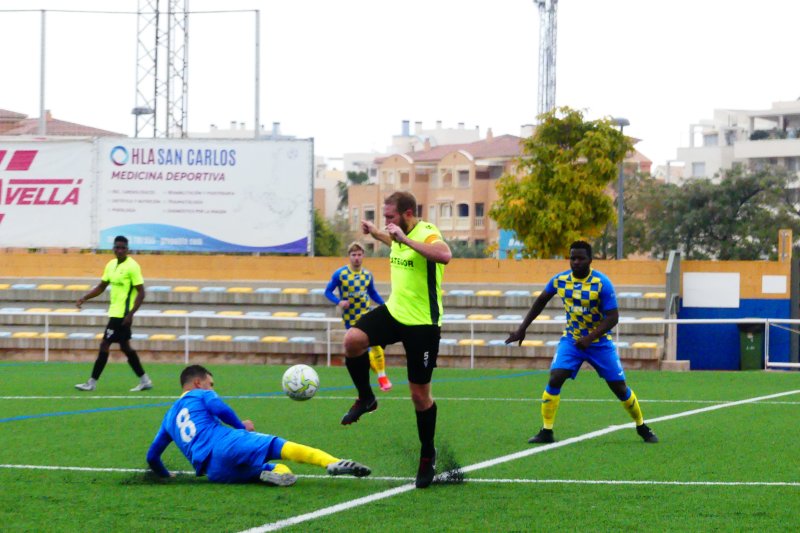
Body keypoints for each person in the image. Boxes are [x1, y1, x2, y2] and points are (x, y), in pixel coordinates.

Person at [341, 191, 451, 489]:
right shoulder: (398, 235)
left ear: (408, 213)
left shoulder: (427, 232)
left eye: (390, 216)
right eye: (385, 216)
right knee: (352, 340)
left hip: (423, 325)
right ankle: (366, 397)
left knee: (419, 396)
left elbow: (444, 255)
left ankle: (427, 455)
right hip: (394, 313)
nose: (387, 221)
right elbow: (396, 244)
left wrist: (404, 238)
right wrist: (376, 232)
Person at [505, 240, 658, 445]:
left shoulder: (602, 283)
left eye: (580, 258)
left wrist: (589, 338)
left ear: (590, 260)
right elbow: (541, 300)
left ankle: (641, 426)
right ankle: (546, 431)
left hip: (599, 343)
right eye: (572, 258)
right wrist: (522, 328)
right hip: (572, 340)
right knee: (555, 377)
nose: (575, 262)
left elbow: (613, 318)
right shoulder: (560, 280)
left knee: (619, 388)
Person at [146, 365, 371, 486]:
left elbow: (152, 457)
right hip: (226, 443)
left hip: (215, 472)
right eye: (210, 383)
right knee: (280, 447)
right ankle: (331, 462)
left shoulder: (168, 418)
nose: (212, 387)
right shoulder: (200, 394)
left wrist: (165, 475)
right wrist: (240, 426)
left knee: (274, 470)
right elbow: (220, 408)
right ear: (197, 383)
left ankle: (271, 474)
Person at [75, 235, 152, 392]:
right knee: (125, 347)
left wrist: (130, 314)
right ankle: (145, 380)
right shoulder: (111, 265)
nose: (120, 250)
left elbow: (141, 293)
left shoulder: (132, 266)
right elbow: (102, 286)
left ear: (127, 249)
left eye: (123, 247)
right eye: (117, 247)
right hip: (114, 313)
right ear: (113, 248)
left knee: (105, 345)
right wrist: (85, 297)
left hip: (122, 316)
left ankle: (92, 382)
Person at [325, 241, 393, 392]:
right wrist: (339, 302)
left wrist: (384, 305)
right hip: (351, 320)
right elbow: (327, 291)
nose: (356, 258)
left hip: (366, 315)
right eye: (353, 255)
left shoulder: (367, 275)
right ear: (349, 256)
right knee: (365, 352)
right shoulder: (340, 274)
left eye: (359, 254)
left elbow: (372, 292)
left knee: (376, 344)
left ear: (363, 256)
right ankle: (376, 376)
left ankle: (382, 377)